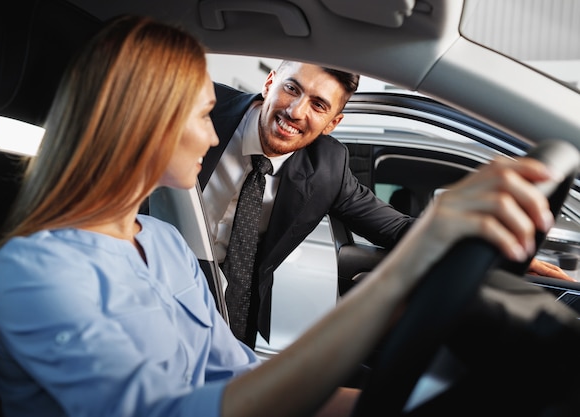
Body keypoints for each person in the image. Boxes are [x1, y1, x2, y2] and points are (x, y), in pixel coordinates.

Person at [0, 15, 560, 417]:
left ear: (332, 122)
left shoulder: (159, 241)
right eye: (203, 113)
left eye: (317, 105)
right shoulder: (37, 269)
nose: (212, 134)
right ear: (148, 120)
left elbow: (235, 377)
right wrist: (395, 288)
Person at [186, 59, 572, 347]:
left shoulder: (328, 166)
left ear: (333, 122)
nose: (296, 112)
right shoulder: (200, 109)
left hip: (229, 312)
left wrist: (500, 253)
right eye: (292, 88)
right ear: (270, 82)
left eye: (319, 105)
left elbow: (397, 228)